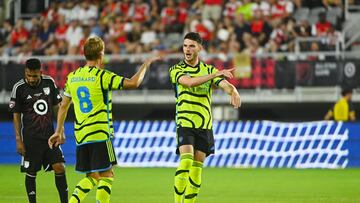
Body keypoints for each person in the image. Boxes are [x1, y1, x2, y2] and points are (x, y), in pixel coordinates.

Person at [48, 36, 160, 203]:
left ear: (84, 54)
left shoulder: (73, 77)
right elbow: (134, 82)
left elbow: (63, 106)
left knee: (92, 176)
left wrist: (58, 131)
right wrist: (146, 64)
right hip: (100, 133)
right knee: (107, 176)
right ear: (101, 54)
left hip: (82, 135)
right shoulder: (103, 76)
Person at [169, 32, 241, 203]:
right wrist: (216, 74)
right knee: (186, 162)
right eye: (185, 45)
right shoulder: (176, 70)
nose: (187, 49)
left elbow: (225, 85)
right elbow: (190, 82)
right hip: (185, 122)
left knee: (197, 170)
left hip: (204, 125)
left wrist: (234, 91)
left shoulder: (209, 70)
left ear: (200, 48)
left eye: (192, 46)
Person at [8, 58, 68, 203]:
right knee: (31, 172)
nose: (32, 79)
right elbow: (16, 115)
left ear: (40, 72)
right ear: (25, 72)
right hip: (31, 138)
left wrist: (61, 131)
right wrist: (18, 139)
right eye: (29, 75)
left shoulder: (49, 82)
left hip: (50, 137)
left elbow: (57, 107)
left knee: (60, 167)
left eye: (35, 76)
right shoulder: (19, 88)